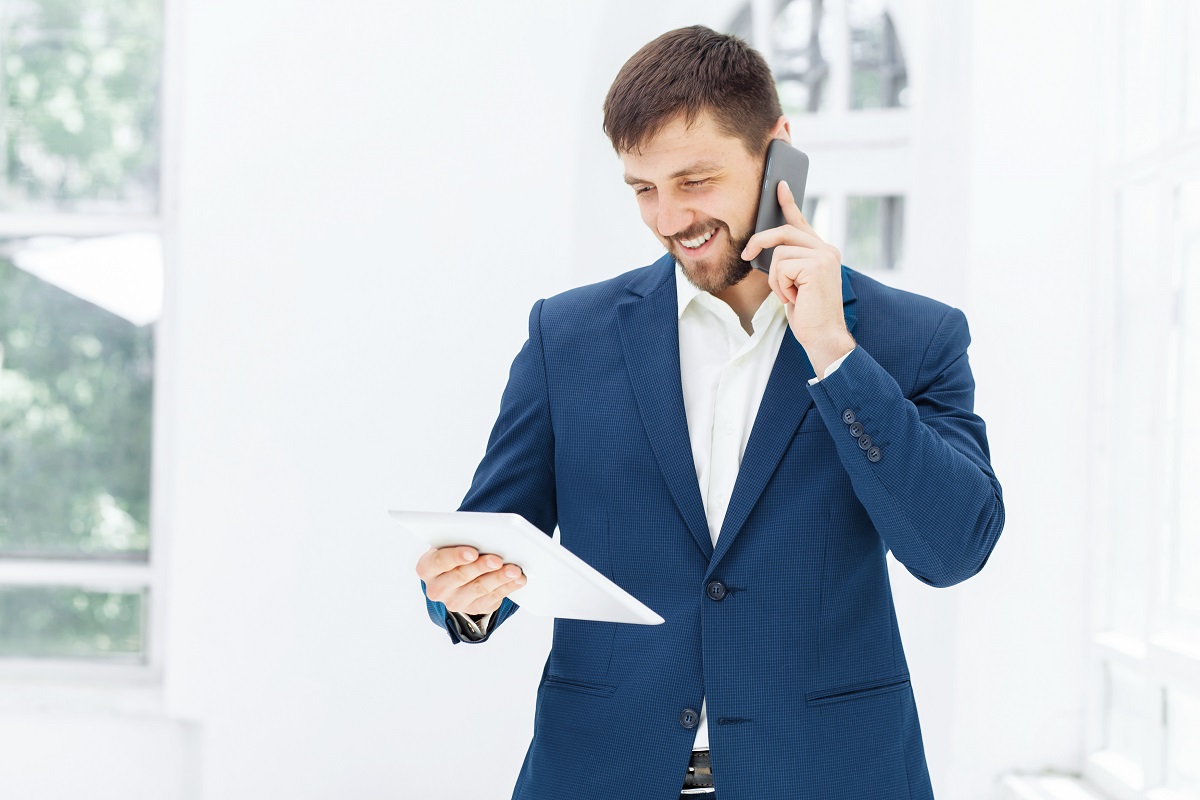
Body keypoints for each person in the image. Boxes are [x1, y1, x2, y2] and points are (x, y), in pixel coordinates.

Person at [415, 25, 1004, 800]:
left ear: (778, 150)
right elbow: (492, 534)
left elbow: (952, 549)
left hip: (829, 778)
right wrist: (461, 595)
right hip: (600, 776)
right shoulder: (567, 337)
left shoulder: (912, 337)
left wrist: (834, 352)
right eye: (642, 189)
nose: (669, 220)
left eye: (695, 181)